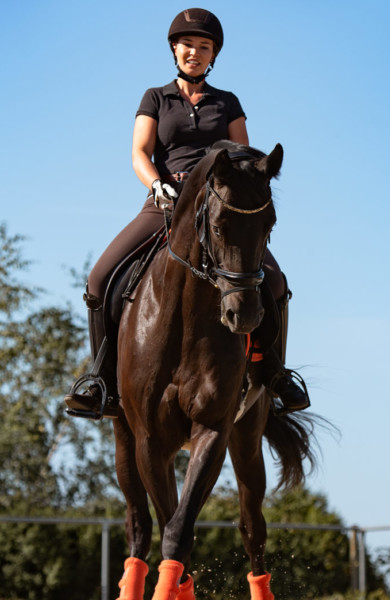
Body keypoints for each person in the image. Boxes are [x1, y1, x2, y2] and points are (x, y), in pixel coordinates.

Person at [64, 8, 310, 418]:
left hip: (218, 206)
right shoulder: (155, 97)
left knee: (276, 281)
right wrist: (155, 182)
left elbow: (243, 155)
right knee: (99, 277)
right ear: (174, 50)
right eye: (188, 45)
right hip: (165, 200)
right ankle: (101, 380)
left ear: (213, 55)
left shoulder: (227, 102)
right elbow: (140, 152)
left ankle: (274, 373)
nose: (194, 52)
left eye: (204, 47)